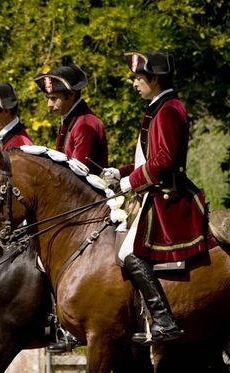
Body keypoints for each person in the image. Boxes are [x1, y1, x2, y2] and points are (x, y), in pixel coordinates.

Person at [102, 51, 217, 345]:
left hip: (167, 197)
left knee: (129, 251)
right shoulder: (159, 106)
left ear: (154, 78)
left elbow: (164, 160)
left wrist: (130, 181)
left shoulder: (168, 109)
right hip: (153, 191)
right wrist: (120, 172)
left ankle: (164, 321)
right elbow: (148, 159)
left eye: (138, 78)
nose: (133, 83)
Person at [33, 64, 108, 175]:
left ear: (71, 95)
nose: (49, 104)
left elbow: (77, 176)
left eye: (54, 98)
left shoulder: (84, 125)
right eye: (48, 98)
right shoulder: (72, 118)